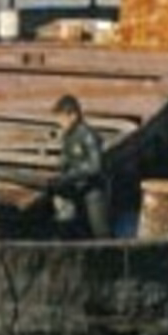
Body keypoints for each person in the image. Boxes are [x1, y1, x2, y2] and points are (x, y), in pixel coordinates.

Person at [50, 94, 110, 239]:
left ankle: (110, 257)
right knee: (71, 226)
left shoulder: (88, 135)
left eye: (61, 118)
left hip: (93, 191)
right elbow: (66, 161)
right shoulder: (68, 137)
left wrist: (70, 176)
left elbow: (96, 167)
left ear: (73, 115)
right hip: (76, 188)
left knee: (99, 232)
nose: (59, 123)